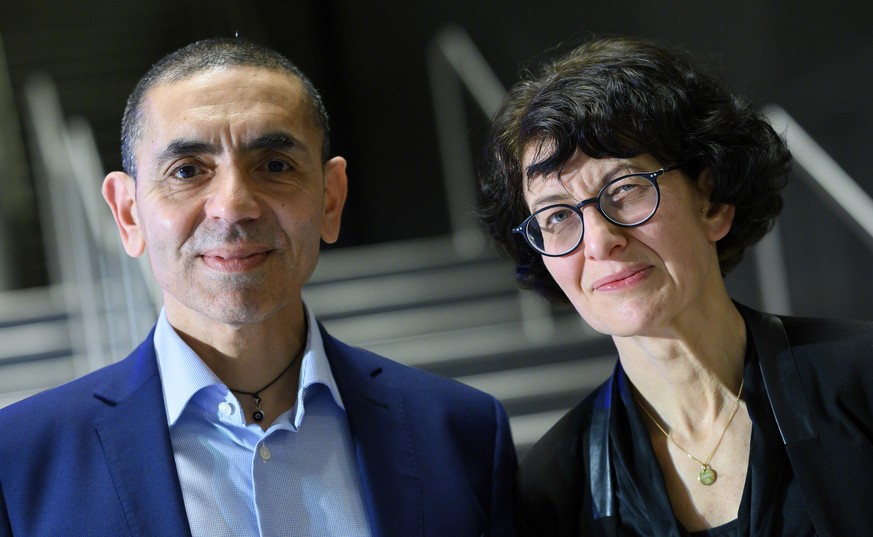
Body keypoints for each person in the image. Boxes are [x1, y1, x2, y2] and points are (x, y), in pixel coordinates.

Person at [0, 37, 516, 537]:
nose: (234, 205)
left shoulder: (461, 434)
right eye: (187, 170)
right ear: (128, 213)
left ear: (330, 201)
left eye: (274, 165)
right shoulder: (18, 461)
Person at [478, 36, 873, 536]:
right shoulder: (554, 484)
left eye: (624, 190)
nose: (599, 242)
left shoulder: (862, 382)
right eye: (557, 216)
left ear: (710, 200)